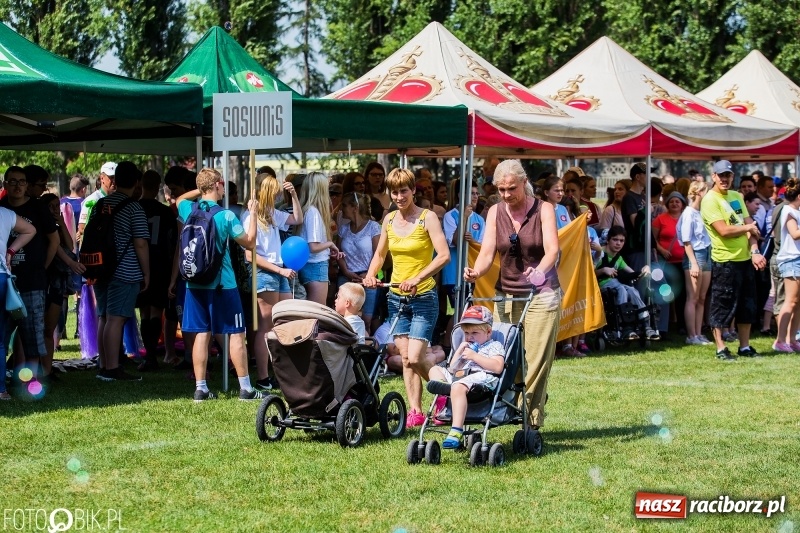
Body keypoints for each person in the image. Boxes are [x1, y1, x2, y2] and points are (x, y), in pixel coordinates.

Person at [464, 159, 560, 431]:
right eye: (501, 189)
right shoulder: (494, 211)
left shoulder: (545, 209)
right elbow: (487, 252)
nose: (507, 195)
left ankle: (531, 419)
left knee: (536, 359)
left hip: (542, 294)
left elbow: (552, 250)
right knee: (508, 359)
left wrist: (539, 272)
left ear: (524, 182)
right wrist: (476, 272)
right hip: (506, 295)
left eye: (511, 188)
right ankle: (506, 408)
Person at [363, 168, 450, 428]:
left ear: (413, 190)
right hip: (396, 297)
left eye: (404, 190)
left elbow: (444, 255)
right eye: (394, 191)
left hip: (423, 297)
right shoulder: (388, 220)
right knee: (405, 359)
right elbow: (380, 255)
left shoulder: (428, 218)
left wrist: (417, 279)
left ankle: (444, 392)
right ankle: (416, 412)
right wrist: (370, 275)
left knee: (414, 357)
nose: (399, 196)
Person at [174, 168, 260, 401]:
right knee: (235, 333)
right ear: (216, 185)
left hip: (195, 284)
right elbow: (249, 243)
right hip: (224, 285)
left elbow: (179, 199)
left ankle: (200, 388)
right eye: (221, 183)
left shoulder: (188, 209)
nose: (224, 187)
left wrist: (200, 189)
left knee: (202, 334)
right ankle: (246, 388)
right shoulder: (226, 216)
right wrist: (252, 215)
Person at [87, 162, 150, 382]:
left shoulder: (101, 203)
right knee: (116, 319)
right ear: (136, 182)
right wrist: (146, 272)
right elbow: (141, 243)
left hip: (100, 268)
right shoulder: (134, 208)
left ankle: (104, 365)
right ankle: (113, 368)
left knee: (104, 316)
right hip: (125, 271)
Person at [241, 173, 302, 391]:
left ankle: (279, 373)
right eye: (274, 192)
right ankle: (263, 377)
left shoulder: (271, 213)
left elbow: (297, 219)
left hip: (279, 272)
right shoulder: (251, 217)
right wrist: (279, 270)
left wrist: (294, 195)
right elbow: (250, 256)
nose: (277, 196)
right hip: (266, 273)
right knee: (266, 327)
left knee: (283, 323)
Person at [700, 160, 766, 361]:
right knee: (722, 303)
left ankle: (744, 347)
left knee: (747, 305)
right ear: (714, 177)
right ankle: (721, 348)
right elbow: (724, 230)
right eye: (721, 175)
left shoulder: (737, 197)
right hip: (724, 261)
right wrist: (747, 228)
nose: (725, 179)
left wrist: (755, 250)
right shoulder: (710, 200)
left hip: (745, 259)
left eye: (728, 175)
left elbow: (750, 225)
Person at [1, 166, 58, 387]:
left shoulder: (38, 208)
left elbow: (53, 240)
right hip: (5, 279)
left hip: (33, 279)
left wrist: (42, 267)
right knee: (4, 332)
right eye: (12, 181)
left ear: (27, 185)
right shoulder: (1, 208)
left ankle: (30, 381)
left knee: (33, 332)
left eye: (22, 181)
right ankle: (7, 378)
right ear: (5, 184)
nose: (17, 186)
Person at [426, 305, 505, 449]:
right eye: (467, 333)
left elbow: (498, 367)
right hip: (460, 376)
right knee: (435, 369)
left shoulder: (494, 345)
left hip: (482, 377)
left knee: (457, 385)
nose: (470, 337)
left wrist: (475, 356)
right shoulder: (466, 347)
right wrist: (460, 351)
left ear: (488, 332)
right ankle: (444, 396)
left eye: (474, 332)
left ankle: (456, 431)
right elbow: (452, 368)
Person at [136, 170, 178, 371]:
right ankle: (152, 355)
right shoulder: (164, 212)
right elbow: (173, 241)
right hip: (160, 264)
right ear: (158, 187)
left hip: (139, 265)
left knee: (145, 312)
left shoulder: (134, 208)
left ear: (141, 185)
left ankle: (150, 355)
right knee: (156, 311)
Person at [0, 198, 37, 399]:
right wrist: (11, 251)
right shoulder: (6, 214)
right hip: (1, 276)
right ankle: (1, 390)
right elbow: (30, 230)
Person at [595, 226, 659, 340]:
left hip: (616, 286)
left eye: (621, 241)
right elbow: (589, 273)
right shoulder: (600, 253)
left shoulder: (618, 258)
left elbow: (632, 272)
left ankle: (645, 323)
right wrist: (604, 270)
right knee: (621, 288)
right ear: (608, 240)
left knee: (632, 290)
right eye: (615, 240)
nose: (618, 243)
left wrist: (643, 270)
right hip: (602, 286)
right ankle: (625, 324)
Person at [296, 171, 343, 305]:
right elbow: (314, 246)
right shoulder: (314, 212)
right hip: (316, 266)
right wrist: (329, 244)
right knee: (317, 313)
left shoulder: (306, 210)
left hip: (308, 265)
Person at [337, 192, 381, 333]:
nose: (340, 208)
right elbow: (338, 253)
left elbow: (378, 253)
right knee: (344, 318)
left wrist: (369, 274)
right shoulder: (343, 229)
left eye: (344, 205)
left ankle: (363, 349)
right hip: (346, 278)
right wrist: (345, 271)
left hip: (367, 278)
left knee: (366, 320)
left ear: (355, 207)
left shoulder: (373, 227)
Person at [678, 182, 713, 345]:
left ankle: (699, 333)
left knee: (701, 297)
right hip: (695, 254)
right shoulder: (688, 213)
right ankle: (691, 335)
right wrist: (694, 263)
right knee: (692, 297)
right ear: (698, 193)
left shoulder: (702, 212)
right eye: (706, 191)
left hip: (707, 252)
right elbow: (686, 241)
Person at [653, 191, 687, 335]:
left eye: (677, 202)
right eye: (672, 201)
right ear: (667, 204)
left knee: (683, 295)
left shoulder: (686, 219)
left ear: (682, 204)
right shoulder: (660, 219)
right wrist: (661, 250)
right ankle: (664, 325)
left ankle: (682, 325)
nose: (674, 204)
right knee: (666, 294)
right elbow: (653, 239)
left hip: (683, 262)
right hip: (666, 262)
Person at [773, 178, 800, 352]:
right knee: (790, 301)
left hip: (797, 258)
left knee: (798, 302)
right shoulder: (788, 210)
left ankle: (792, 339)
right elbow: (795, 234)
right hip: (790, 259)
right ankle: (780, 340)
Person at [77, 162, 115, 245]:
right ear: (102, 178)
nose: (114, 181)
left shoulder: (118, 199)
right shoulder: (92, 200)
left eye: (116, 177)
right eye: (111, 177)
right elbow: (82, 228)